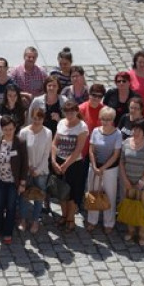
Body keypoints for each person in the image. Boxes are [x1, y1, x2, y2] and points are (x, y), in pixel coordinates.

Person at [0, 116, 28, 244]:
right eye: (5, 129)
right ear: (2, 129)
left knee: (10, 207)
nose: (8, 132)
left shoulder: (20, 142)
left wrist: (22, 182)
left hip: (12, 181)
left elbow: (24, 164)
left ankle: (8, 232)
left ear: (15, 128)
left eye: (11, 129)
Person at [51, 100, 89, 231]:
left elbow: (78, 149)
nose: (69, 114)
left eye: (72, 112)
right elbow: (55, 143)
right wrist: (53, 161)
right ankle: (64, 215)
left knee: (72, 194)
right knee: (61, 191)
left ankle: (71, 219)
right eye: (66, 112)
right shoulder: (61, 123)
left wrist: (66, 164)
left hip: (74, 164)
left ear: (77, 112)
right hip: (59, 162)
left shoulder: (82, 127)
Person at [119, 120, 144, 244]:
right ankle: (130, 231)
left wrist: (141, 182)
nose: (136, 132)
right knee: (130, 207)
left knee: (142, 209)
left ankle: (142, 234)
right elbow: (121, 163)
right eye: (134, 129)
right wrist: (125, 179)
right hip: (128, 183)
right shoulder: (125, 143)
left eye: (139, 130)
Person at [87, 107, 122, 234]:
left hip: (110, 169)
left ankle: (109, 222)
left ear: (112, 120)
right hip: (95, 167)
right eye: (103, 119)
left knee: (110, 195)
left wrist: (103, 168)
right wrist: (95, 166)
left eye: (108, 119)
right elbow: (91, 150)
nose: (105, 122)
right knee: (93, 193)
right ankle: (92, 220)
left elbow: (115, 154)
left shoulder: (117, 133)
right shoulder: (96, 131)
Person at [18, 107, 52, 234]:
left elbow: (46, 154)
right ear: (31, 118)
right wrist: (29, 167)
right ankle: (23, 219)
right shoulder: (24, 132)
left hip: (41, 171)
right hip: (26, 170)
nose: (37, 121)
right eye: (35, 118)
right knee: (24, 196)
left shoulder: (48, 133)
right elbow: (22, 153)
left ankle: (35, 220)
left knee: (39, 197)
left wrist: (37, 170)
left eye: (40, 119)